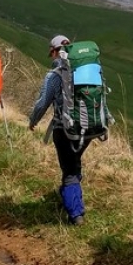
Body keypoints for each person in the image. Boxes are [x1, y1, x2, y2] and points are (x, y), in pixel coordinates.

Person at [28, 35, 94, 226]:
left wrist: (33, 121)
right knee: (74, 160)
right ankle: (68, 191)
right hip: (89, 128)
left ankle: (76, 214)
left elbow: (42, 103)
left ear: (55, 51)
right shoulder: (86, 69)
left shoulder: (55, 75)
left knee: (69, 171)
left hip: (64, 129)